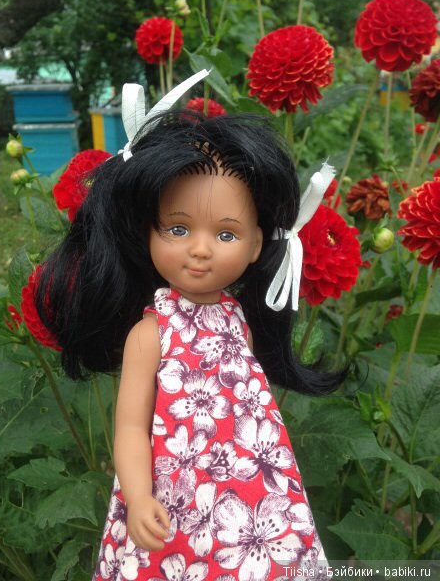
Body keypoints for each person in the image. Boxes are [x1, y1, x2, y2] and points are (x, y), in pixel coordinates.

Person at [35, 71, 344, 581]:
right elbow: (130, 426)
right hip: (172, 504)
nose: (199, 249)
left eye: (226, 234)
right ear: (147, 233)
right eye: (178, 229)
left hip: (253, 501)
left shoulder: (239, 324)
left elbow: (251, 409)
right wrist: (138, 497)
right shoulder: (150, 334)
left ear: (256, 245)